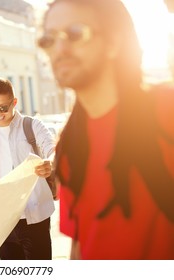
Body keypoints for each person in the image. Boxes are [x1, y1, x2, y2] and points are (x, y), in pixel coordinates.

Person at [39, 0, 174, 259]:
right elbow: (82, 242)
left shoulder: (166, 111)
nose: (60, 48)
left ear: (113, 42)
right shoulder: (70, 143)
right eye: (49, 39)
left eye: (75, 33)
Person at [0, 77, 56, 260]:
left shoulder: (32, 125)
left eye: (3, 107)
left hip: (35, 216)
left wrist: (49, 162)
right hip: (3, 220)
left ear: (14, 102)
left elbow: (52, 150)